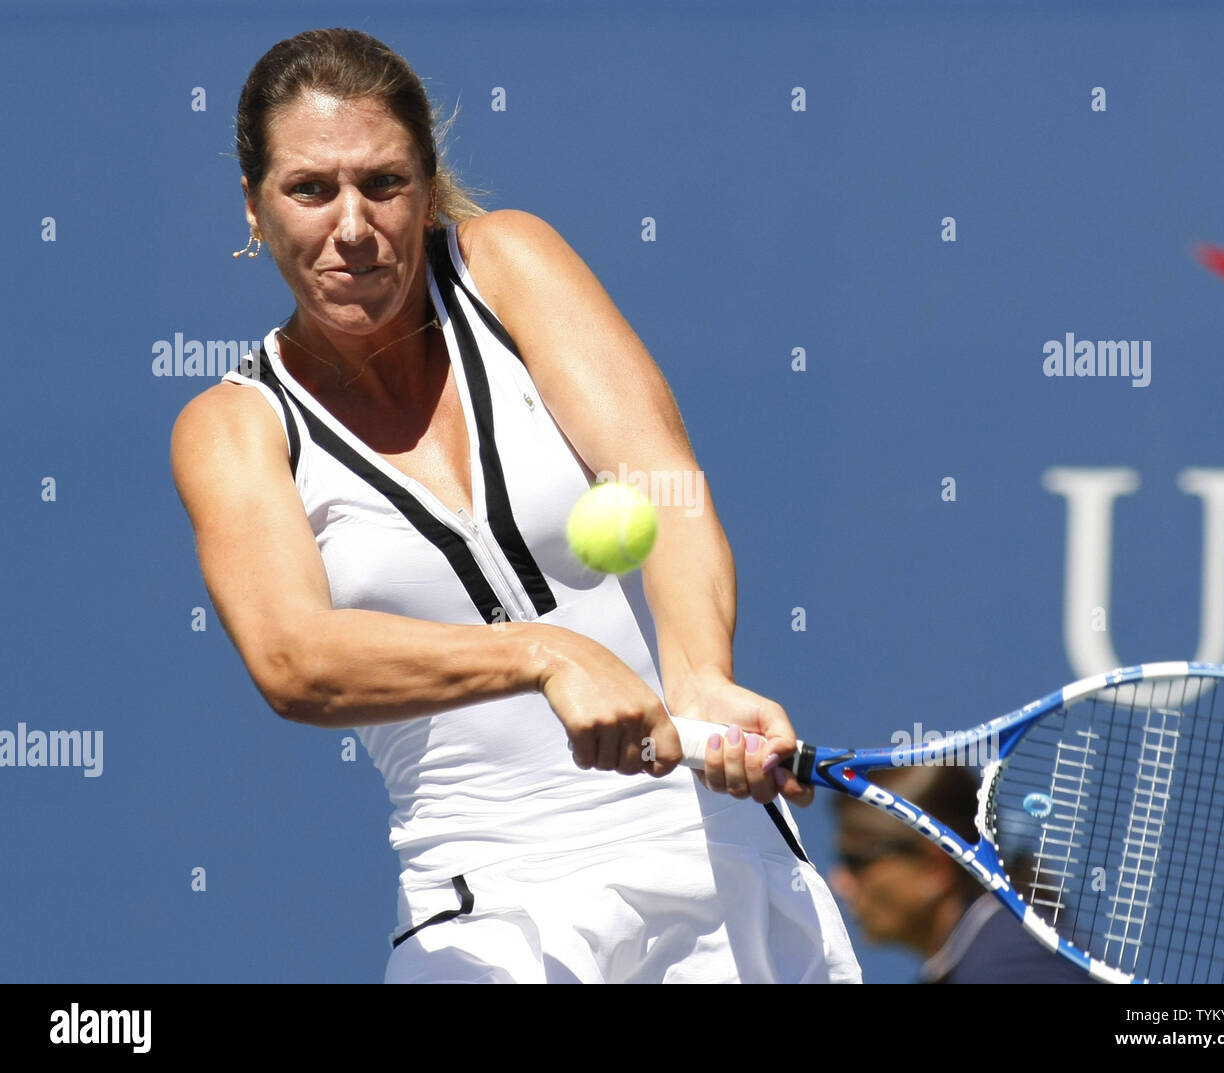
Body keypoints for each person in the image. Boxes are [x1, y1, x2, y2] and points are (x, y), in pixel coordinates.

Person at [170, 27, 860, 984]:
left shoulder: (511, 263)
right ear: (254, 207)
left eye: (384, 182)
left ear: (428, 186)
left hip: (707, 854)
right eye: (310, 189)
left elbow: (660, 479)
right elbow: (295, 659)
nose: (354, 225)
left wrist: (698, 675)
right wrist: (544, 653)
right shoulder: (231, 427)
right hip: (482, 906)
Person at [830, 765, 1089, 983]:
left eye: (856, 862)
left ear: (934, 867)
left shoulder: (1013, 964)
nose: (839, 883)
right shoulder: (996, 955)